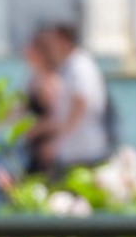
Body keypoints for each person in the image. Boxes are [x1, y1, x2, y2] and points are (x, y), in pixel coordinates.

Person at [32, 22, 112, 175]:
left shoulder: (78, 66)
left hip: (83, 149)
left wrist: (58, 141)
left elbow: (80, 104)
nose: (50, 47)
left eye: (53, 41)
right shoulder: (71, 65)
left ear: (63, 41)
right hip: (77, 148)